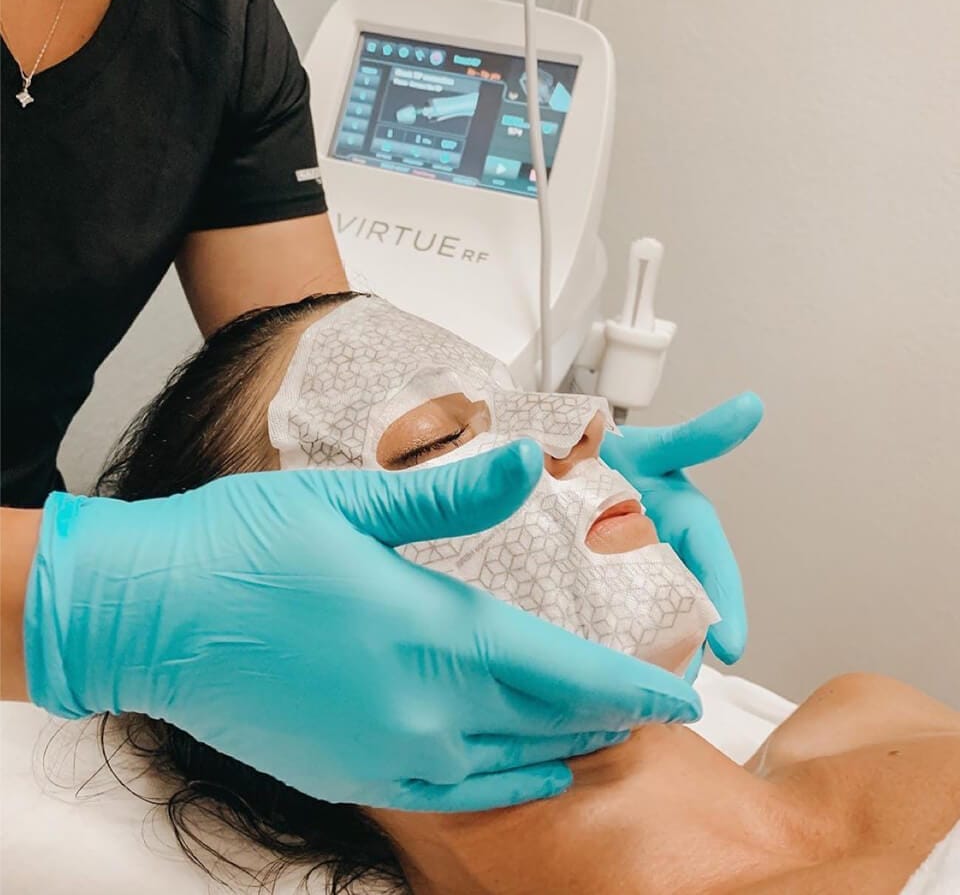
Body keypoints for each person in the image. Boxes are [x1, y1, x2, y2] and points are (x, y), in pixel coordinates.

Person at [0, 0, 762, 811]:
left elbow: (316, 372)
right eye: (438, 442)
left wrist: (515, 433)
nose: (583, 424)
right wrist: (96, 604)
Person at [86, 292, 958, 893]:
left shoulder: (863, 712)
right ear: (289, 670)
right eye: (434, 441)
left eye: (521, 397)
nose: (585, 427)